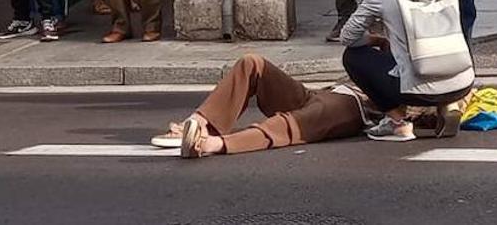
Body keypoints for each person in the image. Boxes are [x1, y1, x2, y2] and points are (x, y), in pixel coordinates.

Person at [339, 0, 476, 141]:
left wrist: (376, 40)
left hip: (417, 90)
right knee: (412, 56)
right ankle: (447, 105)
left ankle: (397, 123)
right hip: (461, 83)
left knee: (353, 56)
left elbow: (348, 36)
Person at [151, 54, 380, 158]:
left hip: (356, 106)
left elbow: (413, 105)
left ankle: (213, 144)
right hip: (327, 91)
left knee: (291, 125)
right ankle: (198, 124)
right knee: (252, 63)